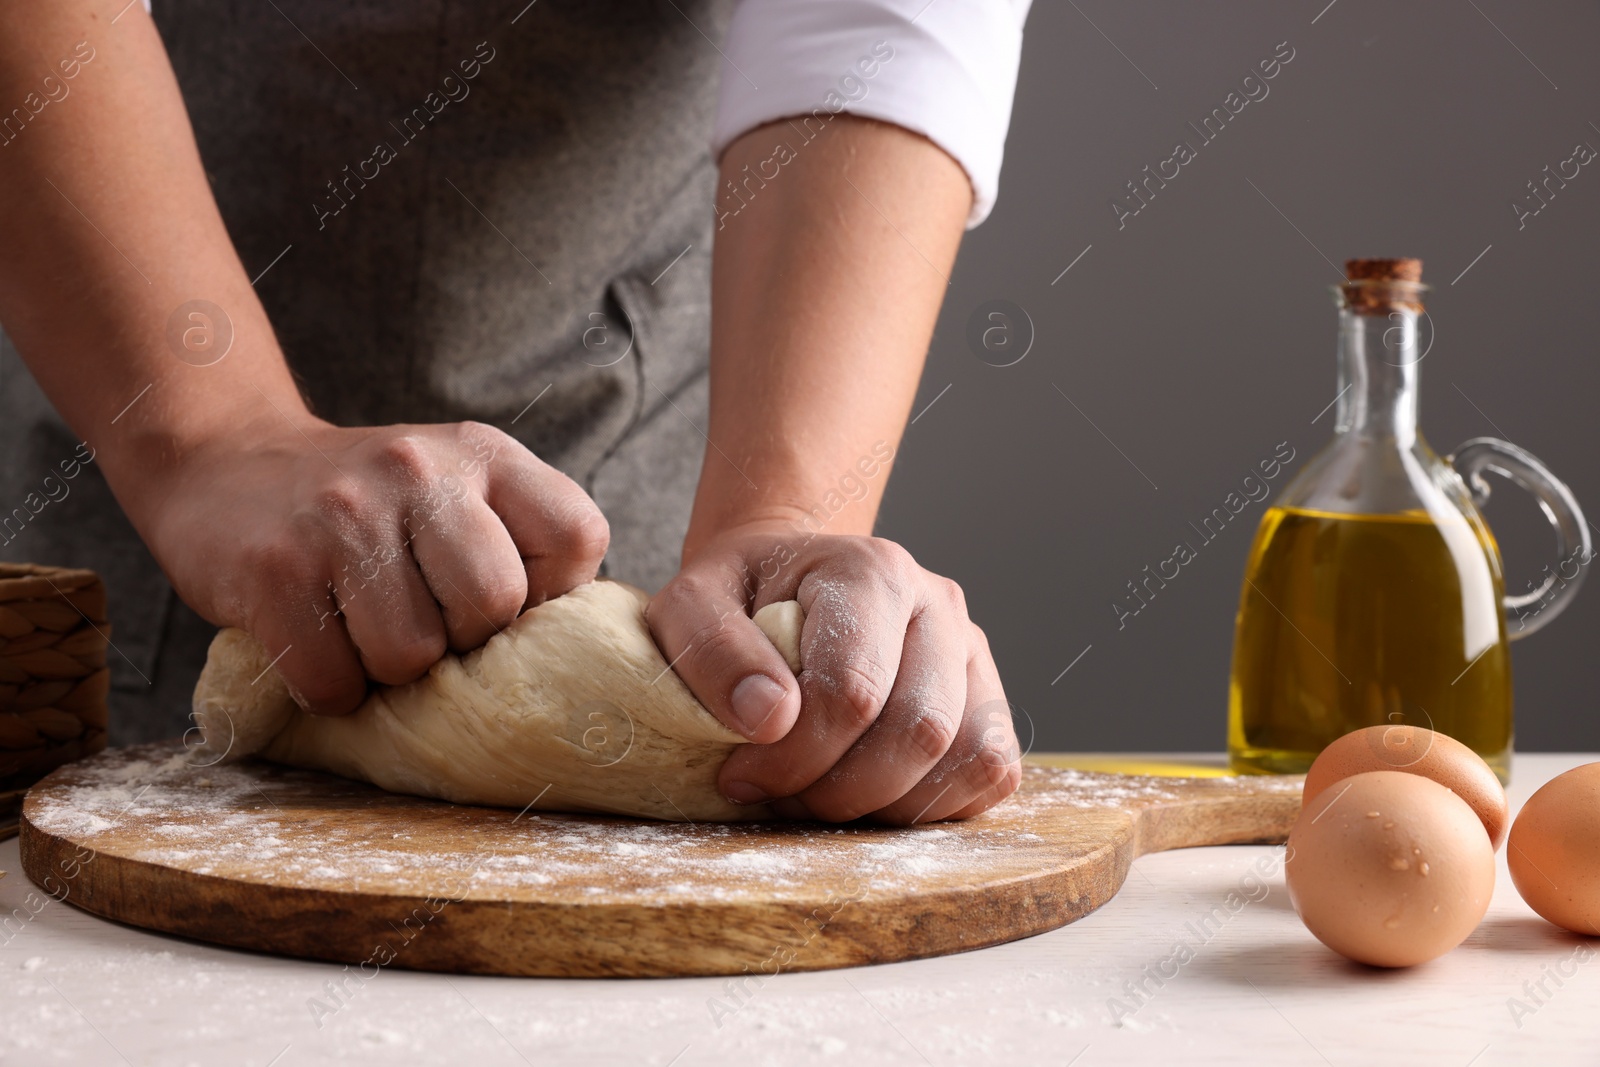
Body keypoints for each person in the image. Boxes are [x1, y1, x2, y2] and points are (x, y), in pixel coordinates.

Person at [0, 0, 1030, 824]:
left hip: (627, 466)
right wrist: (212, 432)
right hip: (121, 422)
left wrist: (789, 516)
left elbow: (866, 24)